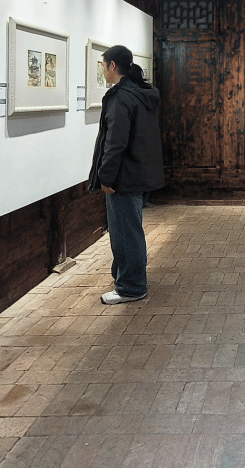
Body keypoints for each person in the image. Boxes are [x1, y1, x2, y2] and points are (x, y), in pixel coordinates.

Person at [88, 45, 165, 304]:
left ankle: (131, 287)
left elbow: (115, 142)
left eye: (103, 65)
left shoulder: (121, 97)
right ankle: (124, 276)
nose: (103, 69)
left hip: (124, 176)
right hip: (139, 173)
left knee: (125, 233)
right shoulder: (140, 93)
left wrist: (106, 176)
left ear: (113, 66)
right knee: (129, 229)